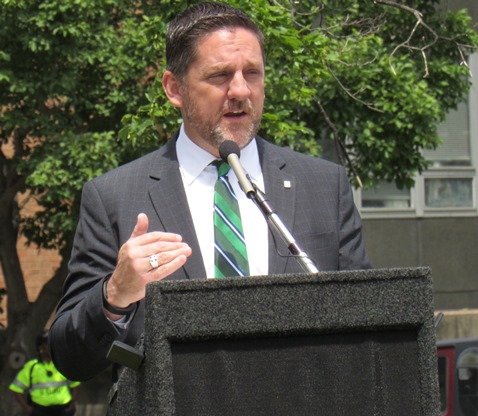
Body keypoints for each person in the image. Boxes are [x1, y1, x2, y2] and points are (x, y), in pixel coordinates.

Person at [49, 1, 371, 382]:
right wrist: (114, 295)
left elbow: (367, 328)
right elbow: (70, 358)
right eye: (220, 76)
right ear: (175, 88)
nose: (240, 90)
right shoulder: (114, 197)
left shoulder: (323, 185)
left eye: (252, 73)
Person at [9, 331, 79, 416]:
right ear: (40, 348)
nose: (51, 347)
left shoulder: (62, 363)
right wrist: (27, 409)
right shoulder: (32, 367)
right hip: (41, 410)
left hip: (64, 409)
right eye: (47, 344)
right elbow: (16, 389)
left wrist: (73, 403)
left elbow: (75, 384)